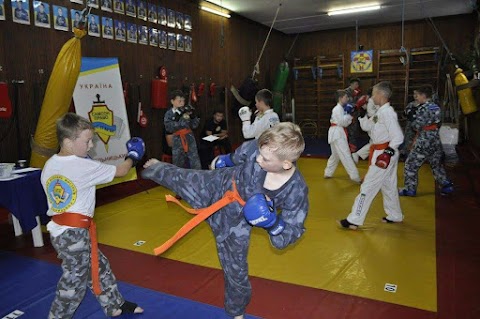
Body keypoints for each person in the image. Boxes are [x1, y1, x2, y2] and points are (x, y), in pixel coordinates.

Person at [141, 122, 309, 319]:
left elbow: (291, 232)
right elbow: (240, 155)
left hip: (235, 222)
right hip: (219, 184)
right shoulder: (257, 148)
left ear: (286, 164)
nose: (259, 159)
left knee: (236, 271)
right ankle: (156, 168)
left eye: (266, 159)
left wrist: (273, 224)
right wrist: (224, 160)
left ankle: (236, 313)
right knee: (181, 177)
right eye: (260, 153)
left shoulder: (296, 190)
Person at [41, 113, 144, 318]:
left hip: (62, 230)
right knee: (74, 282)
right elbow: (122, 171)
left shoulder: (50, 164)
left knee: (99, 266)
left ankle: (114, 305)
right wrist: (132, 156)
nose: (90, 146)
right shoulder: (81, 165)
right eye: (87, 141)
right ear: (69, 141)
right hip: (74, 234)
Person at [338, 81, 404, 230]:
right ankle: (395, 214)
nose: (371, 97)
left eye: (373, 94)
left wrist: (388, 151)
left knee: (367, 187)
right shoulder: (380, 112)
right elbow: (367, 126)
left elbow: (398, 136)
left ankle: (354, 219)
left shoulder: (387, 113)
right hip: (380, 151)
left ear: (380, 95)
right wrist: (361, 112)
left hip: (384, 153)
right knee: (388, 186)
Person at [399, 85, 454, 196]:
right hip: (435, 139)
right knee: (436, 164)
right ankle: (446, 185)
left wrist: (411, 116)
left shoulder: (423, 108)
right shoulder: (435, 107)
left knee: (410, 164)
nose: (416, 97)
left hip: (424, 140)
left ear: (423, 95)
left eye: (417, 95)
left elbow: (416, 125)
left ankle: (410, 189)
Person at [324, 90, 361, 183]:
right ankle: (355, 176)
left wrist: (348, 114)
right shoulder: (337, 109)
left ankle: (328, 172)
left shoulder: (341, 109)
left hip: (337, 132)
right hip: (337, 133)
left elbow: (345, 122)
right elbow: (342, 122)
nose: (347, 99)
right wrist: (348, 114)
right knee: (346, 154)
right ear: (340, 98)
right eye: (345, 97)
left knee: (335, 155)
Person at [164, 89, 201, 169]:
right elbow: (168, 127)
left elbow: (194, 125)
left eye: (183, 101)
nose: (182, 103)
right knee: (178, 163)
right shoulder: (169, 114)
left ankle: (197, 179)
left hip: (189, 138)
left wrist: (193, 116)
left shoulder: (186, 111)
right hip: (177, 140)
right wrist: (178, 121)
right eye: (179, 101)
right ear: (172, 101)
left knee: (195, 162)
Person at [352, 88, 378, 163]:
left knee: (373, 142)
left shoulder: (370, 100)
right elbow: (373, 115)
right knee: (376, 142)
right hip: (371, 123)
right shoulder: (370, 100)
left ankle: (357, 154)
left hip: (370, 122)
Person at [399, 91, 420, 160]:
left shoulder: (424, 105)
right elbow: (403, 115)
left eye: (417, 94)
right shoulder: (410, 105)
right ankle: (407, 157)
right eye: (414, 94)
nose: (416, 96)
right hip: (410, 128)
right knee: (407, 143)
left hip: (419, 128)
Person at [344, 78, 362, 152]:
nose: (357, 86)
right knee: (347, 132)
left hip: (355, 115)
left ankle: (352, 148)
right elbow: (346, 103)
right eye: (356, 84)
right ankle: (345, 148)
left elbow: (359, 102)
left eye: (358, 84)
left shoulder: (357, 92)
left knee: (354, 132)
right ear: (351, 84)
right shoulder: (346, 92)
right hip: (347, 115)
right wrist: (356, 104)